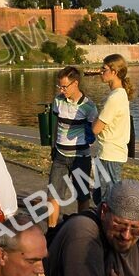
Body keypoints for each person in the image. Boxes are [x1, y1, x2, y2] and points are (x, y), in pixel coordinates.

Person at [47, 66, 98, 228]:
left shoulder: (89, 107)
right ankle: (52, 231)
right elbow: (55, 126)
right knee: (53, 196)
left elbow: (93, 133)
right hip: (60, 156)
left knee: (82, 196)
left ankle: (82, 229)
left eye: (64, 86)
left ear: (75, 84)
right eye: (59, 86)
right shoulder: (58, 101)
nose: (62, 90)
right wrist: (53, 145)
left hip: (80, 158)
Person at [90, 54, 132, 203]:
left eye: (104, 69)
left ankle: (107, 226)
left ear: (114, 72)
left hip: (110, 155)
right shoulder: (118, 94)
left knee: (107, 200)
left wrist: (93, 118)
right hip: (109, 153)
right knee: (101, 197)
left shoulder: (115, 97)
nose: (101, 72)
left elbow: (96, 128)